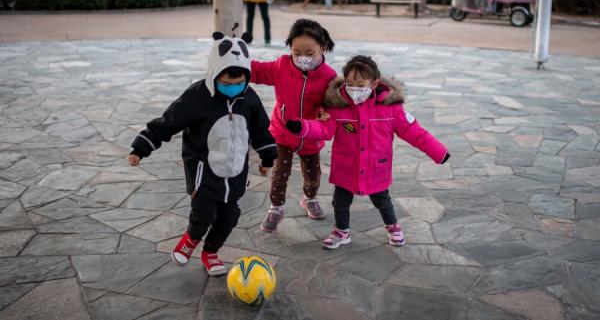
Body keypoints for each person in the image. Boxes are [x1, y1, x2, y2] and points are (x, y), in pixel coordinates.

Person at [127, 31, 277, 275]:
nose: (232, 88)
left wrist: (267, 157)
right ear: (214, 74)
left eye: (238, 83)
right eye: (225, 83)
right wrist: (141, 147)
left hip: (236, 172)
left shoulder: (249, 98)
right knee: (204, 213)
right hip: (204, 171)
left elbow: (261, 129)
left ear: (246, 78)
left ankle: (210, 252)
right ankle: (190, 239)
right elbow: (169, 121)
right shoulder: (198, 96)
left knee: (230, 218)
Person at [285, 55, 450, 249]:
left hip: (376, 166)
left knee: (382, 200)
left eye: (360, 83)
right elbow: (324, 129)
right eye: (349, 83)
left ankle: (393, 227)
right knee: (340, 201)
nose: (354, 88)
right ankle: (341, 231)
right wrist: (302, 127)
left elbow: (415, 132)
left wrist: (439, 152)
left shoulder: (390, 108)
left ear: (374, 84)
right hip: (346, 166)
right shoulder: (338, 107)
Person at [250, 19, 337, 233]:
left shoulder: (329, 77)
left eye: (309, 52)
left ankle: (310, 198)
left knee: (313, 176)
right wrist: (234, 60)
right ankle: (276, 208)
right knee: (280, 173)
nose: (302, 58)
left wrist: (327, 113)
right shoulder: (281, 66)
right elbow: (257, 71)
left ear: (322, 47)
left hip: (310, 134)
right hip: (282, 132)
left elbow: (333, 104)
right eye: (297, 52)